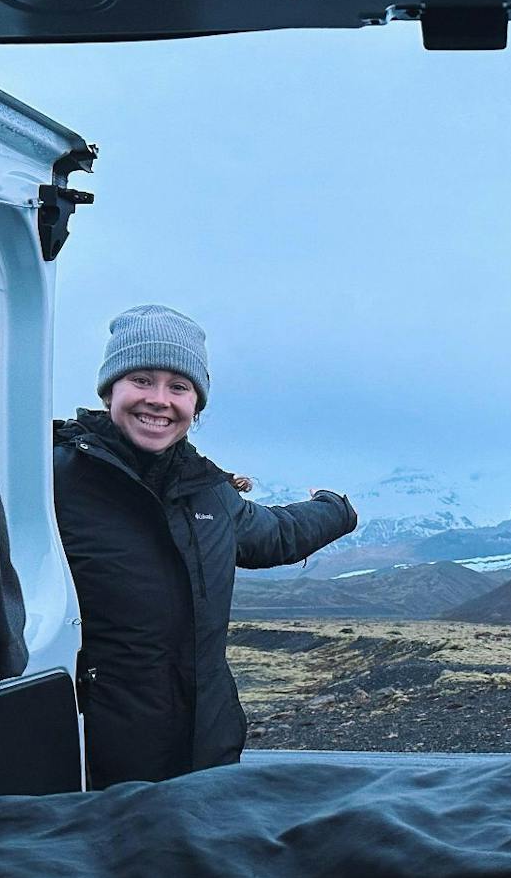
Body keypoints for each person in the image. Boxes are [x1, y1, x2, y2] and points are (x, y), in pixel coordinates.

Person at [53, 304, 357, 788]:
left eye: (179, 387)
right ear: (111, 388)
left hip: (207, 745)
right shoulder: (51, 478)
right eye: (142, 380)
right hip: (97, 755)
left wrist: (335, 509)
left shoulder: (207, 489)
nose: (159, 400)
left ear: (196, 404)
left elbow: (273, 533)